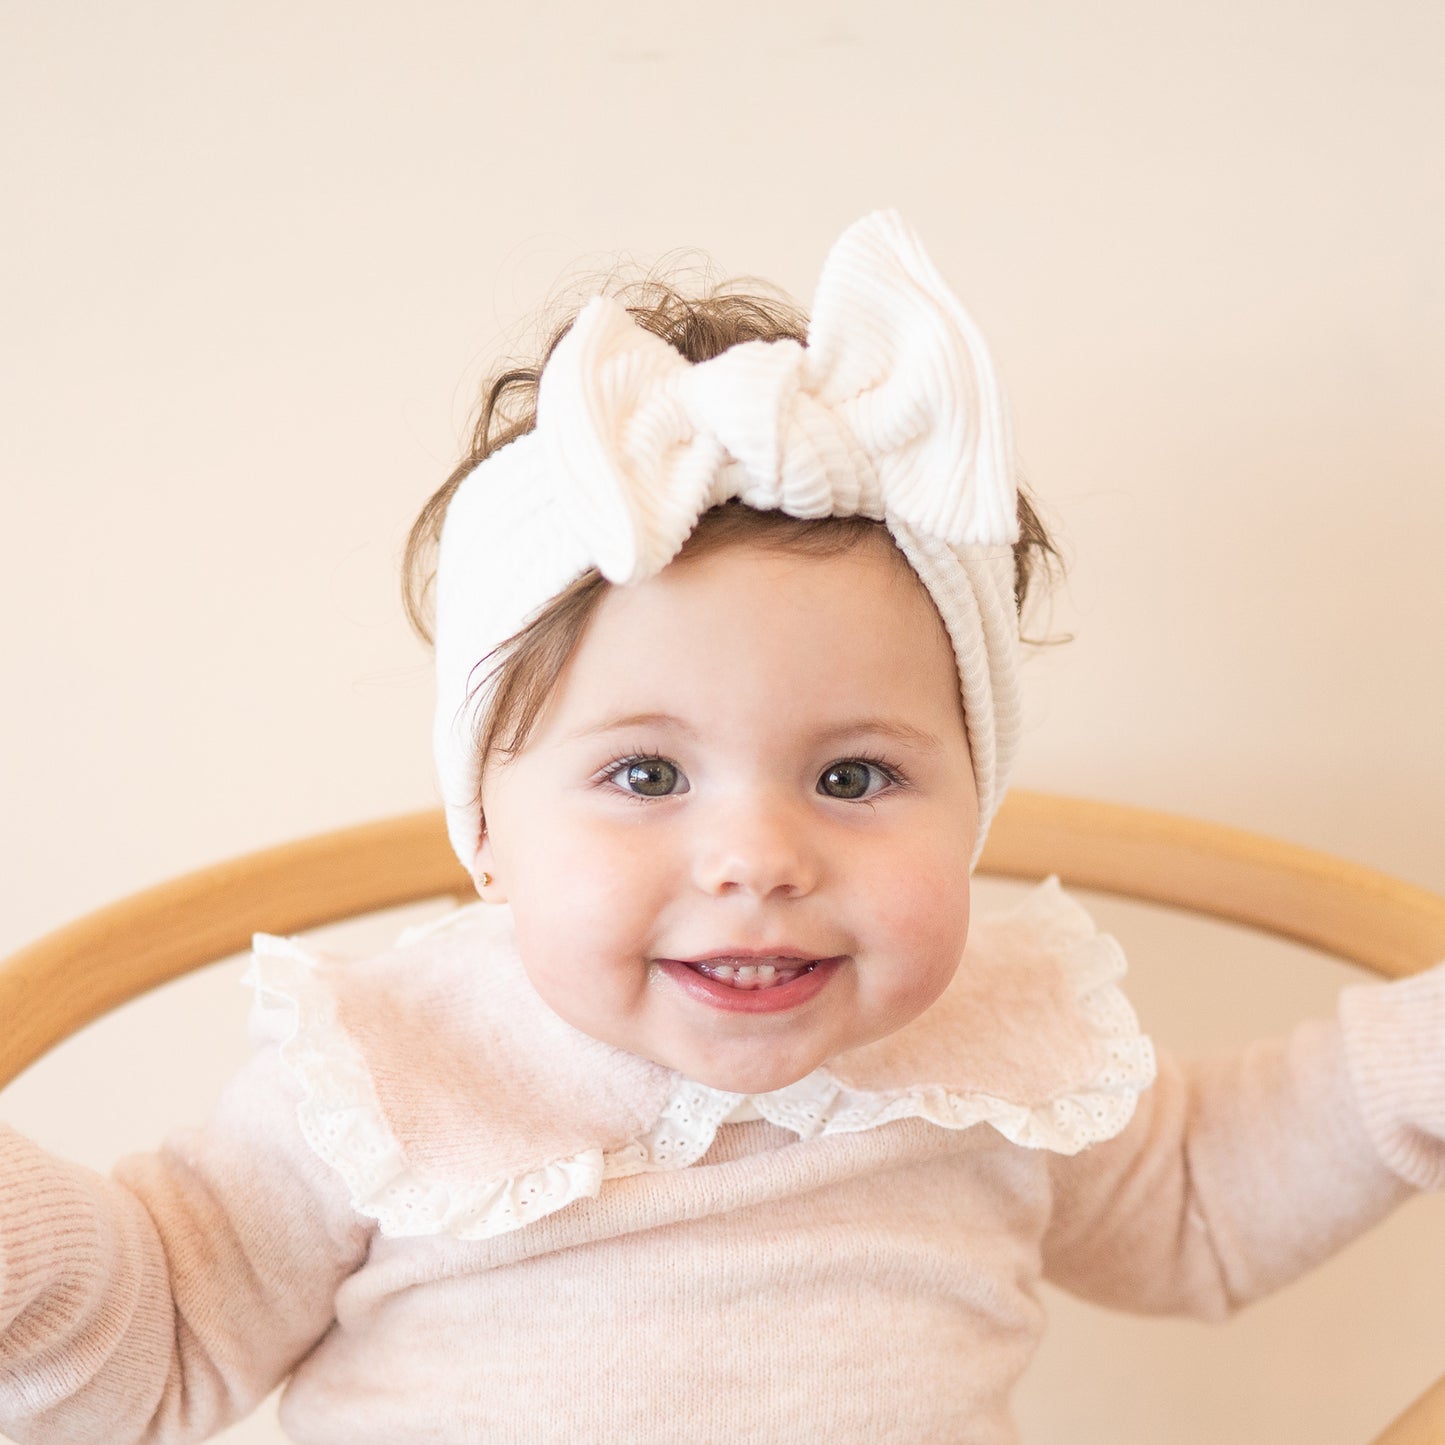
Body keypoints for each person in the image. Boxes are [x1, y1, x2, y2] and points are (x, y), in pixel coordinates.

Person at [1, 212, 1441, 1445]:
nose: (757, 858)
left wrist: (1403, 1068)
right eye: (644, 776)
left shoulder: (994, 1048)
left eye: (855, 778)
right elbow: (165, 1334)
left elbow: (1196, 1198)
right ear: (487, 828)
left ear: (972, 805)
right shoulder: (390, 1071)